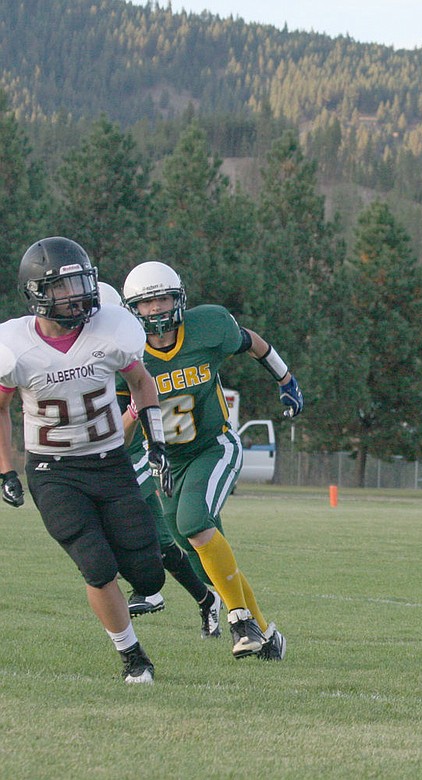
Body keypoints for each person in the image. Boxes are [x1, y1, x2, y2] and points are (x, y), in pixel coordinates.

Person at [0, 237, 169, 683]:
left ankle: (138, 584)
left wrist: (157, 440)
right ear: (37, 293)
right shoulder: (15, 345)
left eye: (80, 283)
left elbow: (142, 383)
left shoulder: (109, 329)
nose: (76, 295)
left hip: (111, 463)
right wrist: (5, 468)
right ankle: (133, 656)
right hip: (54, 472)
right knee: (96, 566)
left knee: (149, 576)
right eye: (63, 287)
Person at [119, 260, 303, 661]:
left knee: (192, 523)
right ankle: (266, 635)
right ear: (132, 309)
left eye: (163, 299)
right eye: (146, 304)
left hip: (213, 446)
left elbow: (250, 341)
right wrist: (134, 411)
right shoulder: (124, 350)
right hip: (166, 461)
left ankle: (238, 619)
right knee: (198, 549)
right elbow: (121, 433)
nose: (156, 310)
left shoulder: (208, 327)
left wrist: (285, 379)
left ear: (179, 298)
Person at [95, 282, 224, 639]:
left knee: (115, 516)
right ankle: (204, 599)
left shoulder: (125, 345)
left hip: (134, 447)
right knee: (163, 540)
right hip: (109, 448)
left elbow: (134, 407)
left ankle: (151, 589)